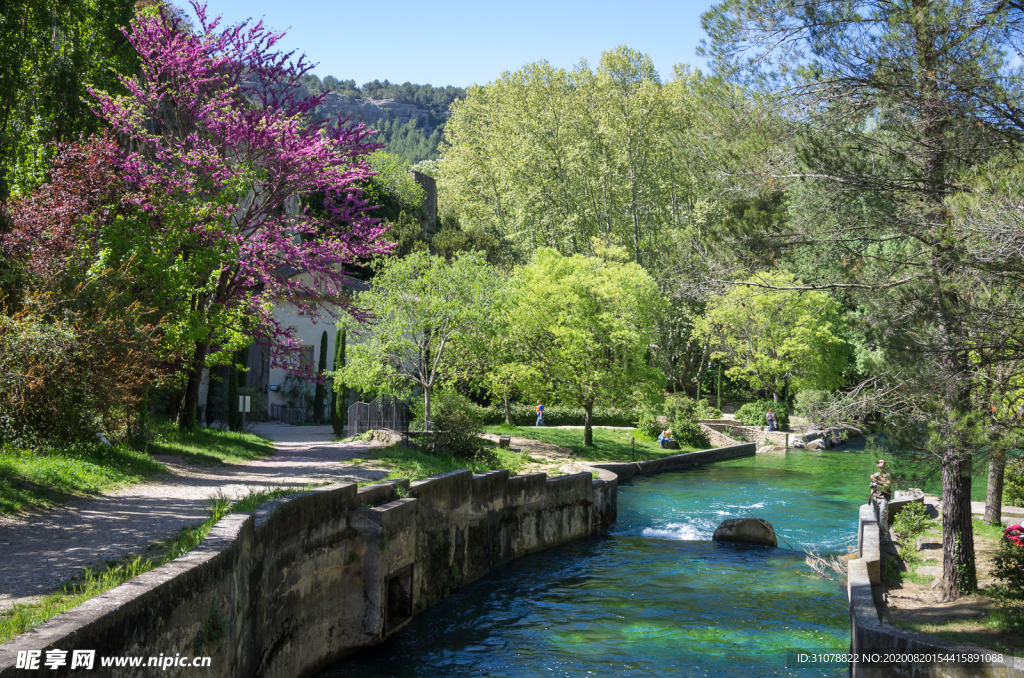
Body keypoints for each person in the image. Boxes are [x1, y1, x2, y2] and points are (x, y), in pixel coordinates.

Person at [870, 459, 893, 537]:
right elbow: (873, 486)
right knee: (876, 519)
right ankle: (877, 536)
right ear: (877, 465)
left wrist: (876, 479)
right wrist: (870, 495)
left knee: (883, 519)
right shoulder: (875, 474)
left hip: (884, 499)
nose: (883, 463)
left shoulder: (887, 475)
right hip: (876, 498)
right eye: (881, 462)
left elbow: (887, 486)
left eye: (884, 462)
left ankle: (884, 538)